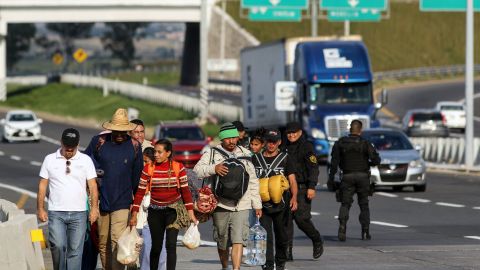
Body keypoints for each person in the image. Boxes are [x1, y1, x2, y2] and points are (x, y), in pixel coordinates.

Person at [194, 122, 262, 270]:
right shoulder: (211, 153)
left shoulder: (246, 154)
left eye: (234, 138)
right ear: (221, 139)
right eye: (227, 138)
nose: (231, 141)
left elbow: (253, 181)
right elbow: (197, 170)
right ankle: (225, 267)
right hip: (220, 205)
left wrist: (257, 204)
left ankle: (235, 269)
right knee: (222, 240)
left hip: (242, 204)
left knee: (238, 240)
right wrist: (214, 168)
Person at [84, 108, 144, 270]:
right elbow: (84, 164)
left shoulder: (135, 146)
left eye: (123, 131)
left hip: (123, 202)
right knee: (103, 243)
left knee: (116, 242)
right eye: (116, 130)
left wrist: (134, 208)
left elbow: (137, 179)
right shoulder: (98, 142)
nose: (119, 134)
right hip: (100, 201)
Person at [130, 139, 197, 270]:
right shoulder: (148, 168)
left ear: (168, 153)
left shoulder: (178, 168)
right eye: (155, 152)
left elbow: (185, 192)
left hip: (173, 211)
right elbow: (140, 193)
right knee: (156, 247)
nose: (156, 155)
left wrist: (191, 214)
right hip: (155, 211)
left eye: (160, 152)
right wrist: (134, 214)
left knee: (171, 245)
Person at [37, 128, 99, 270]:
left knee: (75, 252)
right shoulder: (49, 159)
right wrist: (40, 208)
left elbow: (93, 186)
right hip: (56, 212)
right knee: (58, 246)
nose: (69, 149)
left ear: (77, 144)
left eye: (72, 146)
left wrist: (94, 209)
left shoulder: (86, 160)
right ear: (61, 143)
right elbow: (42, 185)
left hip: (79, 214)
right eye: (67, 146)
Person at [251, 129, 298, 270]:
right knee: (266, 237)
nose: (271, 144)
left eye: (274, 141)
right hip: (262, 204)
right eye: (269, 141)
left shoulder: (285, 158)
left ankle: (281, 261)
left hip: (281, 204)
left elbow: (293, 180)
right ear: (264, 142)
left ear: (279, 142)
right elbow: (251, 182)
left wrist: (295, 197)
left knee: (282, 236)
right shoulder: (255, 159)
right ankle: (268, 264)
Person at [328, 120, 381, 241]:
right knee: (363, 204)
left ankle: (342, 227)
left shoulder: (340, 143)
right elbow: (376, 160)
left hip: (347, 176)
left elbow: (334, 163)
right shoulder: (365, 143)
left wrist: (331, 179)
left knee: (345, 204)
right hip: (363, 176)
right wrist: (368, 162)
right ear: (360, 130)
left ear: (350, 129)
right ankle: (365, 231)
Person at [285, 121, 324, 260]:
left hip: (302, 188)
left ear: (300, 132)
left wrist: (312, 186)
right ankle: (287, 252)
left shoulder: (306, 147)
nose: (291, 135)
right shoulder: (283, 147)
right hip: (285, 189)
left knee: (302, 220)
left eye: (294, 132)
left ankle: (317, 239)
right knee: (286, 222)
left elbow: (314, 167)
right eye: (289, 132)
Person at [138, 147, 167, 270]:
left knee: (156, 247)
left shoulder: (157, 173)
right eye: (143, 162)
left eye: (146, 161)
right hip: (144, 214)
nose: (144, 164)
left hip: (156, 213)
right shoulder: (142, 173)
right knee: (145, 246)